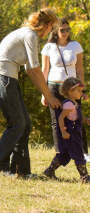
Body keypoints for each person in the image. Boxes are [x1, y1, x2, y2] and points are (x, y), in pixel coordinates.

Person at [0, 7, 62, 177]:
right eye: (53, 28)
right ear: (48, 25)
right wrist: (49, 96)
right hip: (2, 77)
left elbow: (30, 69)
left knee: (25, 124)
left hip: (9, 78)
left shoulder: (30, 36)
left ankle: (21, 171)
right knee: (17, 124)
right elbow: (35, 70)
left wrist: (46, 94)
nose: (51, 32)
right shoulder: (30, 35)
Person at [41, 18, 89, 162]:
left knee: (77, 118)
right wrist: (44, 94)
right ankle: (60, 153)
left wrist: (82, 89)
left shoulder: (76, 46)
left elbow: (80, 70)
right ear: (55, 31)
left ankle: (83, 152)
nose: (65, 32)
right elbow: (44, 71)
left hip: (72, 88)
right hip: (54, 86)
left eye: (68, 29)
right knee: (57, 120)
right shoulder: (48, 47)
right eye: (62, 30)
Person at [43, 77, 90, 183]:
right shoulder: (68, 104)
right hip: (71, 134)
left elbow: (77, 116)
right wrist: (63, 131)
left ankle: (49, 171)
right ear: (70, 91)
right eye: (78, 91)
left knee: (65, 154)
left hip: (74, 133)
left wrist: (86, 119)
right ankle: (84, 177)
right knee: (78, 153)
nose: (80, 93)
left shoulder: (74, 103)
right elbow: (61, 118)